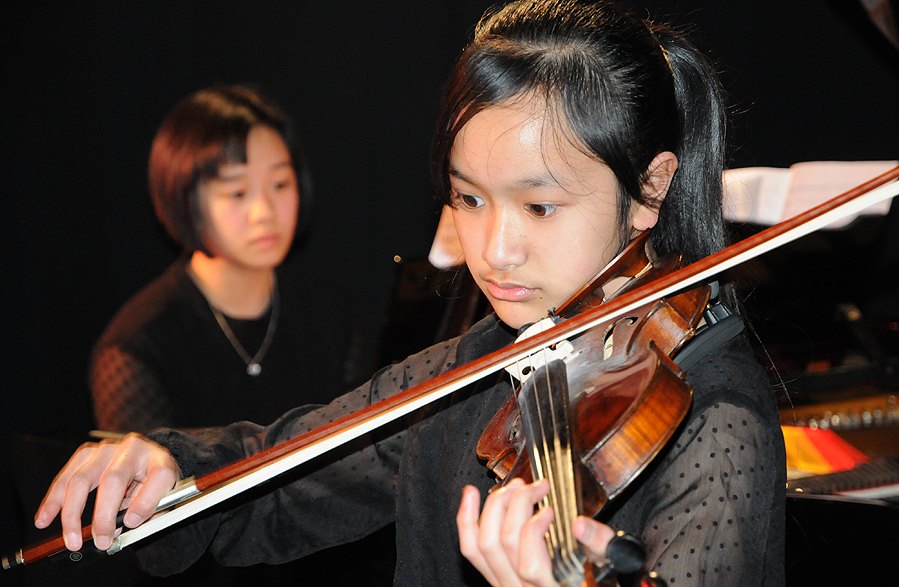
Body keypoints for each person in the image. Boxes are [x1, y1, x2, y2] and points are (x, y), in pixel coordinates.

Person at [34, 2, 785, 586]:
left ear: (651, 186)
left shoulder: (718, 421)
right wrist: (165, 464)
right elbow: (280, 477)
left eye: (539, 206)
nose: (494, 250)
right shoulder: (477, 366)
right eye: (469, 199)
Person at [89, 86, 342, 431]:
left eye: (280, 184)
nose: (264, 212)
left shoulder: (329, 311)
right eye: (237, 192)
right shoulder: (137, 348)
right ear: (187, 201)